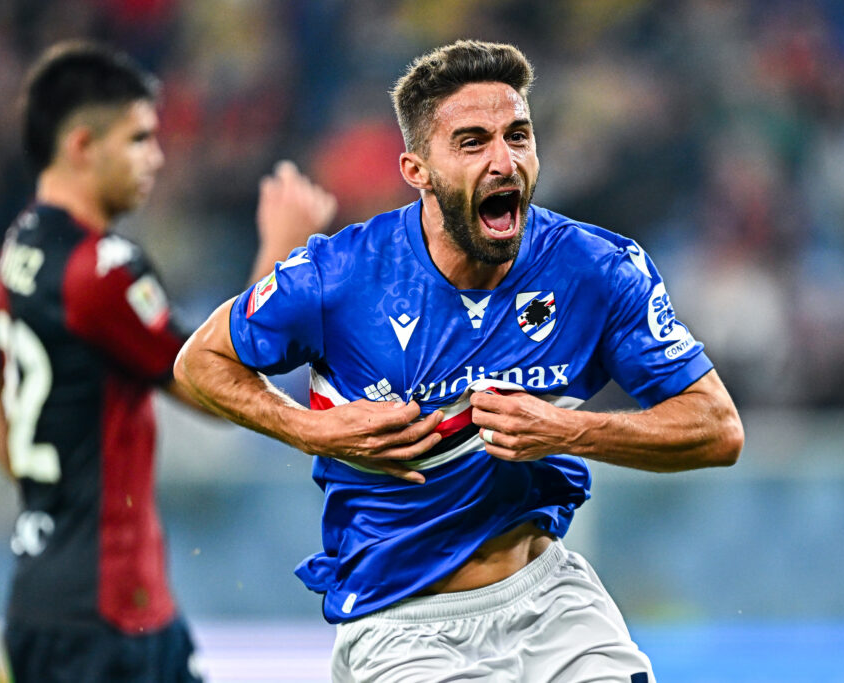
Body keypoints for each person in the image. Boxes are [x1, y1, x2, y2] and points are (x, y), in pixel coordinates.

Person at [175, 40, 744, 682]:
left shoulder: (597, 270)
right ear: (417, 169)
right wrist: (311, 429)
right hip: (402, 621)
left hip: (548, 599)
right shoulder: (343, 275)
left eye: (518, 136)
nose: (505, 161)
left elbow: (717, 429)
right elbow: (199, 361)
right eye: (473, 142)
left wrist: (573, 431)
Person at [0, 41, 335, 683]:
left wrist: (51, 504)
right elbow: (215, 386)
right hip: (110, 615)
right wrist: (278, 249)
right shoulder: (102, 272)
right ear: (82, 145)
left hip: (44, 598)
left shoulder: (21, 248)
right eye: (138, 139)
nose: (155, 158)